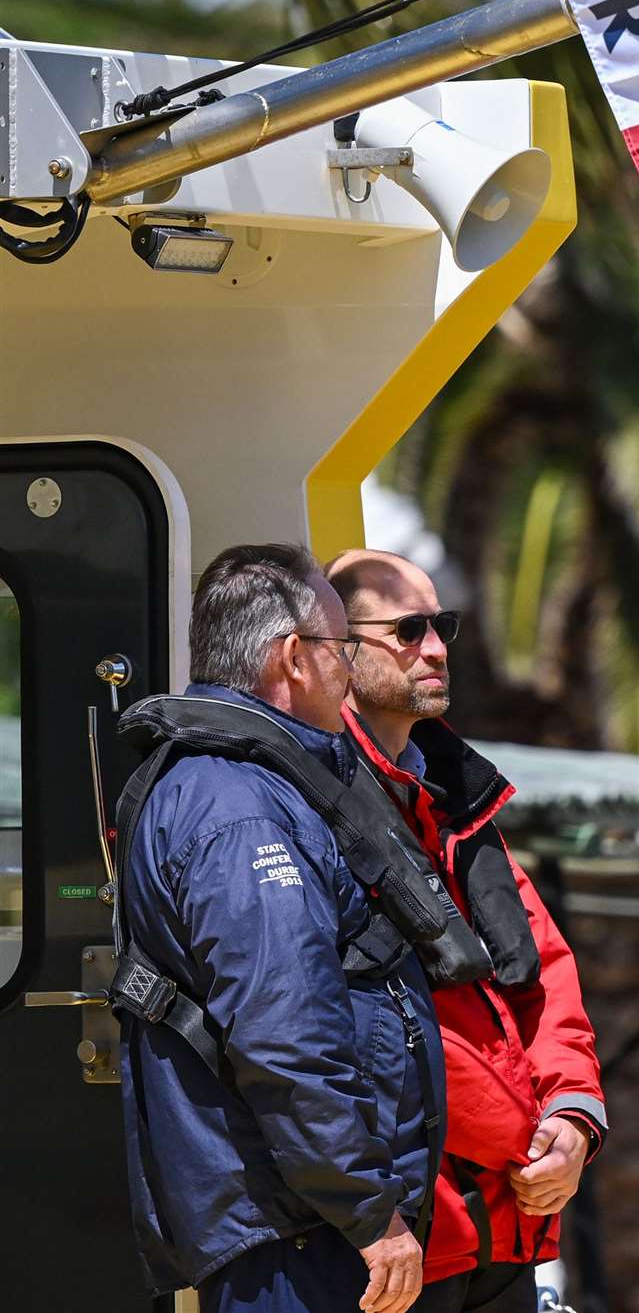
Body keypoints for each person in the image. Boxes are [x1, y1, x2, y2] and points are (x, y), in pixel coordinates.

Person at [116, 544, 445, 1313]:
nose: (348, 671)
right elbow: (284, 1035)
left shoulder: (243, 787)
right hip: (298, 1235)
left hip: (302, 1218)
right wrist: (369, 1211)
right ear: (294, 659)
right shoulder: (241, 811)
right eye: (341, 649)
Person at [325, 549, 608, 1313]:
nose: (439, 647)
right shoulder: (308, 807)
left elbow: (547, 977)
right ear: (335, 647)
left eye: (441, 624)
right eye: (409, 629)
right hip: (401, 1244)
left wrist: (576, 1119)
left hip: (505, 1237)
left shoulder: (460, 804)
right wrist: (526, 1138)